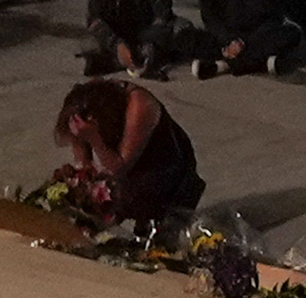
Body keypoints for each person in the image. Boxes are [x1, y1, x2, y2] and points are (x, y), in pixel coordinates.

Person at [49, 75, 205, 229]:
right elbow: (77, 138)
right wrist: (83, 173)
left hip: (165, 165)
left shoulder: (139, 106)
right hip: (129, 167)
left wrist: (94, 138)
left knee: (159, 230)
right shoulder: (86, 99)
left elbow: (118, 167)